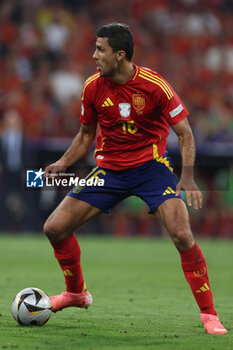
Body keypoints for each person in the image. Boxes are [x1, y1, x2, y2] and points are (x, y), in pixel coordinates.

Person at [44, 23, 227, 335]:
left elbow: (185, 134)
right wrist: (62, 162)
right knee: (54, 228)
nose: (94, 55)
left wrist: (187, 177)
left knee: (182, 235)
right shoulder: (92, 87)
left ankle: (209, 314)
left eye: (100, 49)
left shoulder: (154, 86)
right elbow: (86, 135)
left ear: (120, 55)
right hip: (109, 172)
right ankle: (76, 294)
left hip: (151, 170)